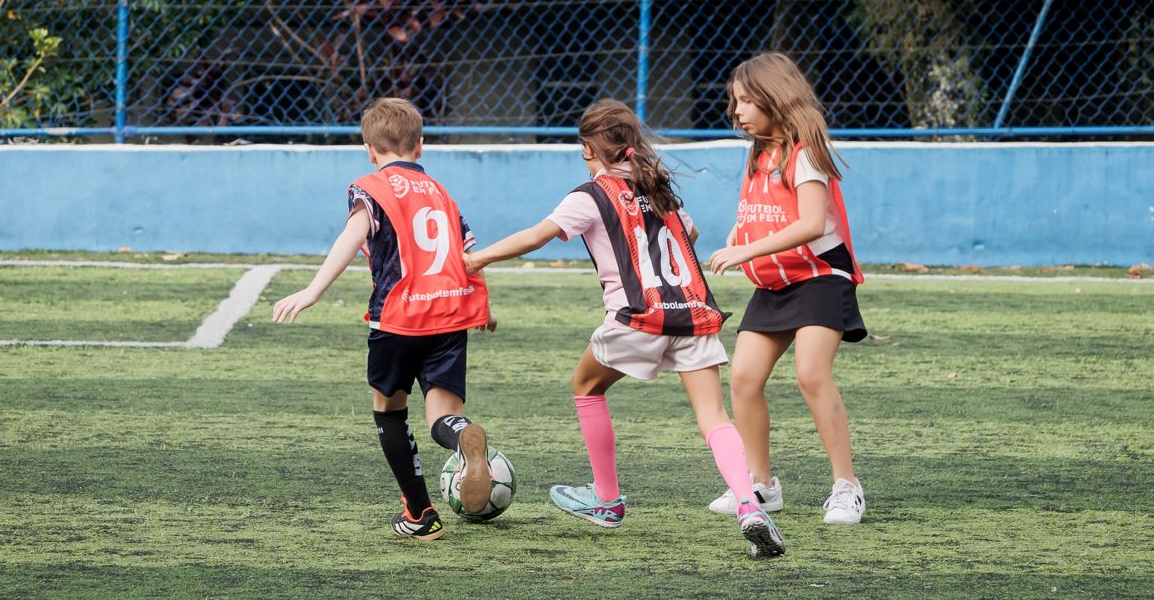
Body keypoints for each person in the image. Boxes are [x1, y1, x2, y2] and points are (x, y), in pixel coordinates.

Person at [465, 98, 786, 558]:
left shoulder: (591, 194)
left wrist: (478, 258)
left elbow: (536, 235)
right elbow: (689, 236)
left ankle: (607, 499)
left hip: (639, 314)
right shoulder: (660, 188)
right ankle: (748, 507)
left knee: (586, 386)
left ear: (589, 149)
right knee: (714, 418)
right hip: (692, 312)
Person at [272, 97, 497, 541]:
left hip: (397, 319)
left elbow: (352, 234)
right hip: (450, 316)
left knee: (390, 412)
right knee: (442, 416)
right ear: (421, 146)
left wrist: (313, 289)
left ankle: (421, 515)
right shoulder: (442, 195)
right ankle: (463, 434)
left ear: (370, 150)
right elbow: (469, 257)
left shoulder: (370, 188)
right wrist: (483, 308)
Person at [705, 52, 869, 526]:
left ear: (775, 98)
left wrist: (746, 253)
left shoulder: (805, 152)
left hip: (820, 275)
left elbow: (812, 223)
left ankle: (847, 487)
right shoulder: (759, 153)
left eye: (745, 101)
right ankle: (762, 484)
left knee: (811, 375)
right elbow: (755, 215)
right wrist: (737, 239)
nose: (736, 111)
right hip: (776, 281)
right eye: (734, 101)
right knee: (743, 377)